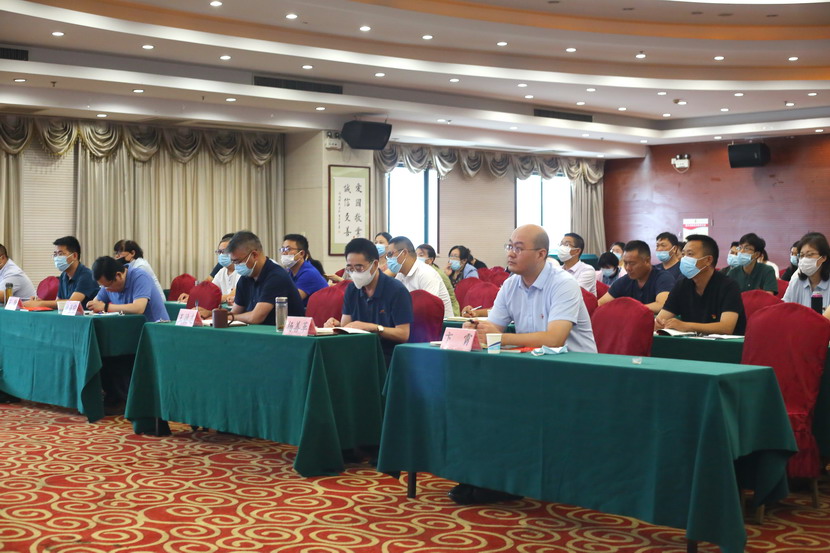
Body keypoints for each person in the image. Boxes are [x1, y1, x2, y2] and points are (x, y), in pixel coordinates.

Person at [452, 225, 596, 506]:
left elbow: (555, 339)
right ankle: (487, 476)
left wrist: (498, 337)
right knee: (476, 397)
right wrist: (478, 327)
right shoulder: (511, 284)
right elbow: (495, 327)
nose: (510, 253)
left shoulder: (563, 283)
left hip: (572, 370)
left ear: (541, 254)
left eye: (518, 248)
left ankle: (507, 480)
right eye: (509, 246)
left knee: (507, 404)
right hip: (532, 368)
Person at [324, 238, 413, 365]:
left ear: (375, 264)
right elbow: (347, 325)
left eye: (359, 268)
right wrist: (336, 325)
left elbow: (403, 334)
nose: (354, 273)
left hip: (386, 356)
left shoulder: (396, 290)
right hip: (358, 351)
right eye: (350, 268)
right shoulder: (352, 289)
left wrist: (375, 328)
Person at [655, 234, 746, 335]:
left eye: (690, 254)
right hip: (691, 342)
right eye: (683, 254)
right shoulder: (681, 285)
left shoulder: (729, 286)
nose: (684, 259)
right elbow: (660, 319)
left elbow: (726, 328)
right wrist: (659, 324)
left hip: (724, 344)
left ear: (708, 260)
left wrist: (686, 326)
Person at [226, 231, 303, 325]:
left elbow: (255, 318)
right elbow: (234, 313)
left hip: (283, 332)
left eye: (238, 261)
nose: (236, 266)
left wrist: (228, 317)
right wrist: (216, 315)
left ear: (254, 255)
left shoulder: (277, 277)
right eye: (233, 262)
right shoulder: (245, 278)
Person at [598, 240, 675, 314]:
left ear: (647, 261)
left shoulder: (663, 278)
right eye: (625, 263)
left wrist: (629, 310)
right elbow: (601, 303)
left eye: (632, 263)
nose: (627, 268)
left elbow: (661, 305)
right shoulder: (625, 280)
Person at [23, 236, 100, 309]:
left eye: (60, 254)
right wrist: (39, 301)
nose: (57, 258)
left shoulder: (87, 275)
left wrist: (41, 304)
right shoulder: (64, 275)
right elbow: (58, 302)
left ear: (74, 256)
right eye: (55, 254)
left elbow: (72, 303)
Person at [387, 236, 454, 318]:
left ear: (404, 253)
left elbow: (428, 309)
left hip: (439, 323)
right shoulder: (400, 274)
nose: (388, 259)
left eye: (390, 254)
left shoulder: (426, 273)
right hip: (413, 320)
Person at [88, 256, 168, 321]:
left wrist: (106, 307)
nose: (106, 289)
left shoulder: (140, 277)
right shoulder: (108, 283)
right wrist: (92, 306)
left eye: (107, 286)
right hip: (129, 329)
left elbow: (138, 308)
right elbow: (96, 303)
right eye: (102, 286)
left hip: (155, 329)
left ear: (119, 275)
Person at [783, 232, 830, 310]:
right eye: (801, 255)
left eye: (810, 254)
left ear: (823, 257)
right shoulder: (796, 282)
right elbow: (784, 309)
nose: (804, 259)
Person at [280, 233, 328, 305]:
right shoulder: (290, 272)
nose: (284, 253)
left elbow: (291, 301)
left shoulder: (309, 273)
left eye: (288, 249)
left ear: (301, 253)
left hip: (315, 312)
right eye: (282, 249)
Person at [416, 244, 460, 316]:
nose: (416, 258)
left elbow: (430, 301)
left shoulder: (436, 274)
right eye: (415, 255)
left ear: (430, 260)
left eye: (421, 255)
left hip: (449, 312)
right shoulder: (420, 272)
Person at [211, 233, 240, 304]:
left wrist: (213, 298)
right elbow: (210, 292)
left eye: (225, 251)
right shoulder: (221, 272)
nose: (221, 255)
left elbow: (234, 294)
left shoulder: (242, 270)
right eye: (219, 252)